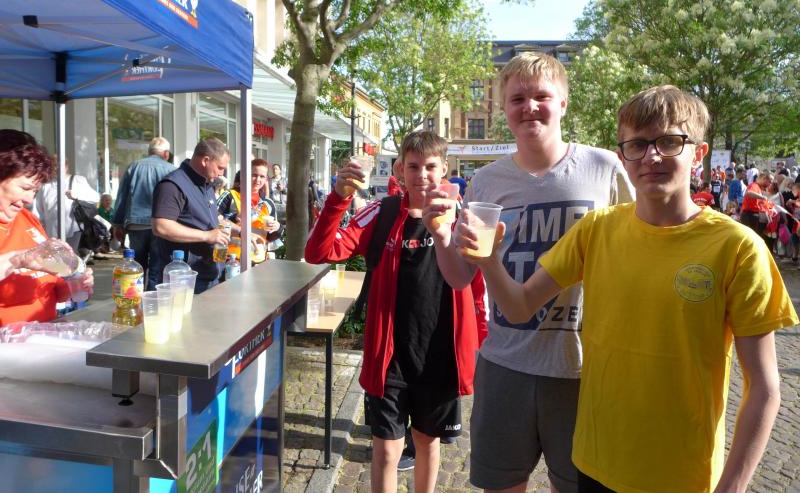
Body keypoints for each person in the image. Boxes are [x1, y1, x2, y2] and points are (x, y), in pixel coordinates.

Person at [459, 85, 797, 493]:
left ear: (698, 153)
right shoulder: (596, 230)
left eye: (669, 142)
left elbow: (764, 389)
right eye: (637, 145)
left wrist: (732, 488)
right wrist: (488, 259)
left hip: (683, 475)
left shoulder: (739, 248)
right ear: (622, 156)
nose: (651, 156)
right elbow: (519, 307)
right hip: (594, 464)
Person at [423, 52, 634, 493]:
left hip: (582, 367)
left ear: (564, 103)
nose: (530, 107)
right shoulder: (486, 181)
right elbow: (460, 276)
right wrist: (441, 235)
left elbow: (638, 249)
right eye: (518, 99)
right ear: (504, 108)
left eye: (542, 96)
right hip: (506, 362)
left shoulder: (604, 168)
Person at [305, 131, 480, 493]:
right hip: (390, 358)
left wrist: (480, 342)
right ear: (401, 169)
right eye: (413, 166)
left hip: (439, 356)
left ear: (443, 169)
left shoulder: (463, 217)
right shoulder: (382, 213)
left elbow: (478, 286)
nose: (422, 175)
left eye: (430, 167)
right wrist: (338, 198)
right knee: (386, 452)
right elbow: (318, 252)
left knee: (427, 443)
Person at [0, 130, 93, 325]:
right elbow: (23, 259)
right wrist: (19, 259)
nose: (29, 200)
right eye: (25, 188)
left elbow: (54, 291)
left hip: (43, 335)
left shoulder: (26, 219)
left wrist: (73, 284)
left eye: (35, 191)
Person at [149, 137, 231, 292]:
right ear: (205, 160)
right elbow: (161, 227)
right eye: (220, 168)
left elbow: (207, 219)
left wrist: (236, 229)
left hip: (209, 274)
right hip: (184, 280)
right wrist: (206, 236)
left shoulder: (207, 184)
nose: (222, 173)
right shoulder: (172, 185)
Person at [112, 136, 175, 282]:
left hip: (136, 224)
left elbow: (122, 196)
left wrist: (118, 224)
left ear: (149, 151)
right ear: (166, 154)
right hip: (161, 225)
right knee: (157, 270)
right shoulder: (171, 170)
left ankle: (134, 295)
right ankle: (152, 296)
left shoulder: (134, 167)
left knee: (136, 267)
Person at [33, 157, 99, 253]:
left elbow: (95, 197)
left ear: (66, 166)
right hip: (52, 233)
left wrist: (77, 195)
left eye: (57, 165)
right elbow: (37, 211)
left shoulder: (77, 180)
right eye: (52, 166)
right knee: (55, 259)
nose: (55, 168)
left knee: (70, 257)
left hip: (74, 231)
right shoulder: (46, 186)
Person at [217, 160, 283, 247]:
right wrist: (234, 219)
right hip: (233, 254)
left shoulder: (268, 203)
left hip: (259, 254)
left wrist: (278, 228)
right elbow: (212, 220)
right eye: (254, 175)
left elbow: (270, 238)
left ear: (266, 179)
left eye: (262, 176)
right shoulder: (229, 195)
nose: (258, 180)